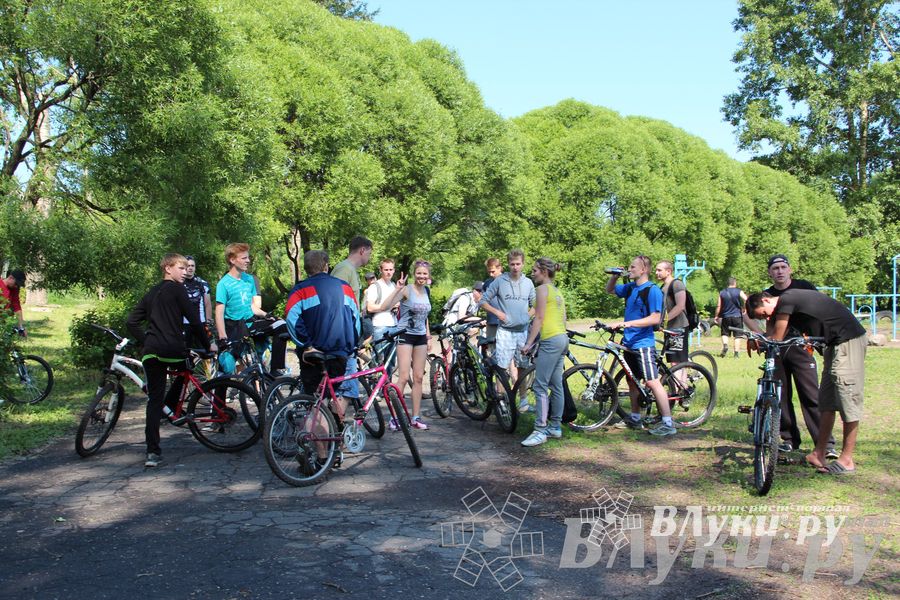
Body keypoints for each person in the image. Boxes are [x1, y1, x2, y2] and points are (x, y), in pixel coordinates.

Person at [745, 290, 866, 475]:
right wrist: (758, 334)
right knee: (827, 402)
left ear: (766, 299)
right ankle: (818, 454)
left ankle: (847, 459)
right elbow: (772, 331)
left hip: (848, 341)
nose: (766, 317)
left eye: (764, 313)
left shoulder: (787, 300)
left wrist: (759, 340)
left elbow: (776, 338)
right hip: (833, 345)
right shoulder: (783, 308)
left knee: (847, 399)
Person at [127, 253, 216, 468]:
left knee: (153, 401)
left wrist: (146, 339)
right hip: (173, 349)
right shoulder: (178, 290)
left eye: (187, 268)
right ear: (168, 268)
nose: (185, 272)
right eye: (181, 268)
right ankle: (173, 408)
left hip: (151, 352)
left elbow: (131, 322)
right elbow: (195, 320)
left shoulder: (151, 292)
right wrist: (208, 345)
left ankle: (152, 452)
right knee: (188, 366)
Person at [743, 254, 836, 457]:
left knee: (811, 394)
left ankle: (825, 443)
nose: (779, 271)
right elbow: (761, 321)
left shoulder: (804, 286)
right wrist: (758, 336)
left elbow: (818, 310)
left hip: (802, 347)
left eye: (783, 267)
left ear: (790, 269)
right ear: (769, 272)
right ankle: (788, 438)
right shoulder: (766, 295)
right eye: (775, 268)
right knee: (780, 395)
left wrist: (818, 335)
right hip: (777, 348)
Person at [606, 255, 677, 436]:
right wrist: (614, 275)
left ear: (644, 269)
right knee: (632, 382)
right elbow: (610, 290)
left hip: (643, 344)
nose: (629, 270)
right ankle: (635, 418)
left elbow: (654, 318)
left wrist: (627, 324)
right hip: (629, 342)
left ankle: (668, 423)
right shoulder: (631, 288)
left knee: (652, 381)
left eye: (632, 267)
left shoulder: (652, 290)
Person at [284, 250, 360, 405]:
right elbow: (356, 319)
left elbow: (291, 318)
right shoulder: (344, 288)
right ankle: (318, 427)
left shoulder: (301, 289)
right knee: (325, 402)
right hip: (339, 352)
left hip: (313, 354)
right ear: (326, 266)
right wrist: (352, 345)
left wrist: (306, 344)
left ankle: (320, 424)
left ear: (306, 269)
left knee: (318, 399)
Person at [479, 250, 535, 412]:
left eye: (518, 264)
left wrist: (527, 316)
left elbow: (536, 304)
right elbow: (483, 302)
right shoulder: (500, 281)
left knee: (522, 366)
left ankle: (523, 401)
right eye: (512, 264)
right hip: (505, 331)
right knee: (502, 367)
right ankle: (501, 401)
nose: (515, 267)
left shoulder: (528, 283)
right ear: (508, 265)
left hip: (522, 331)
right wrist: (498, 314)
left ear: (523, 264)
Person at [520, 258, 569, 447]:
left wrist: (529, 343)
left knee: (540, 386)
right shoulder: (557, 291)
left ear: (544, 272)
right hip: (561, 339)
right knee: (556, 385)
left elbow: (539, 317)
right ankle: (555, 426)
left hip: (550, 340)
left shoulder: (541, 290)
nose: (532, 273)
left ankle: (540, 430)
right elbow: (564, 318)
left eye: (534, 270)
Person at [214, 243, 276, 374]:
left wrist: (266, 315)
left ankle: (273, 370)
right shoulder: (223, 284)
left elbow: (252, 306)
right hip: (233, 326)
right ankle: (221, 389)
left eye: (248, 257)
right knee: (227, 367)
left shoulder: (249, 280)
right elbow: (219, 312)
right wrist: (222, 335)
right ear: (232, 260)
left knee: (280, 326)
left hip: (248, 323)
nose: (248, 261)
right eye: (244, 258)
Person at [382, 260, 429, 430]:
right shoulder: (407, 290)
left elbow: (425, 315)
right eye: (419, 273)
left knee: (418, 378)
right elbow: (385, 306)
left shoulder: (427, 291)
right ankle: (394, 417)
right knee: (403, 377)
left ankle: (415, 417)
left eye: (424, 273)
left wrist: (428, 333)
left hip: (421, 337)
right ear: (414, 274)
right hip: (405, 335)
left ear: (428, 275)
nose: (421, 276)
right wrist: (397, 289)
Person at [329, 236, 373, 408]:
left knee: (346, 384)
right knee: (347, 385)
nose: (369, 257)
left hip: (349, 333)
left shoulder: (349, 270)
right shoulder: (344, 269)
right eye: (369, 253)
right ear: (362, 250)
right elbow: (334, 301)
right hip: (343, 334)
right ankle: (326, 426)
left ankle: (332, 423)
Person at [365, 258, 399, 375]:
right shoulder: (375, 286)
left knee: (390, 361)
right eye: (386, 270)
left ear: (394, 270)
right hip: (380, 325)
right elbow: (370, 307)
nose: (388, 272)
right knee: (379, 360)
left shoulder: (394, 285)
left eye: (391, 269)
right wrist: (387, 306)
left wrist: (396, 305)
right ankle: (376, 388)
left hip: (394, 325)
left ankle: (387, 388)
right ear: (381, 270)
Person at [655, 260, 688, 367]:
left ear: (668, 271)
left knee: (676, 362)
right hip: (669, 328)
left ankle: (682, 384)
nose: (656, 272)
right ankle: (678, 382)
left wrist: (664, 320)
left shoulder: (677, 284)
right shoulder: (662, 287)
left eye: (659, 270)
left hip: (679, 327)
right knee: (673, 360)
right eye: (656, 270)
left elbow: (680, 306)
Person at [182, 255, 212, 347]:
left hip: (201, 323)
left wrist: (209, 323)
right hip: (184, 324)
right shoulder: (178, 283)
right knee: (185, 352)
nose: (190, 268)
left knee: (206, 352)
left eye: (192, 266)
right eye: (188, 266)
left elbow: (207, 304)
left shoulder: (202, 284)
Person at [715, 277, 747, 357]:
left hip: (726, 316)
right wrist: (745, 308)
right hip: (737, 316)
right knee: (737, 335)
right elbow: (746, 299)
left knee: (725, 333)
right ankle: (736, 354)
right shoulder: (739, 291)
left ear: (728, 284)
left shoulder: (722, 292)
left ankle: (725, 345)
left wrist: (716, 316)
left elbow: (718, 306)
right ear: (735, 283)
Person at [481, 258, 503, 342]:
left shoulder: (508, 281)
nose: (490, 274)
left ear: (499, 268)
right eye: (489, 272)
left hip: (505, 322)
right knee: (491, 348)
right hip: (491, 321)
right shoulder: (487, 283)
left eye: (493, 271)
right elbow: (482, 300)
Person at [0, 269, 27, 336]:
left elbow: (17, 306)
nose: (16, 286)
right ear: (11, 278)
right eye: (16, 283)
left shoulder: (14, 289)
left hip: (4, 320)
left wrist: (21, 328)